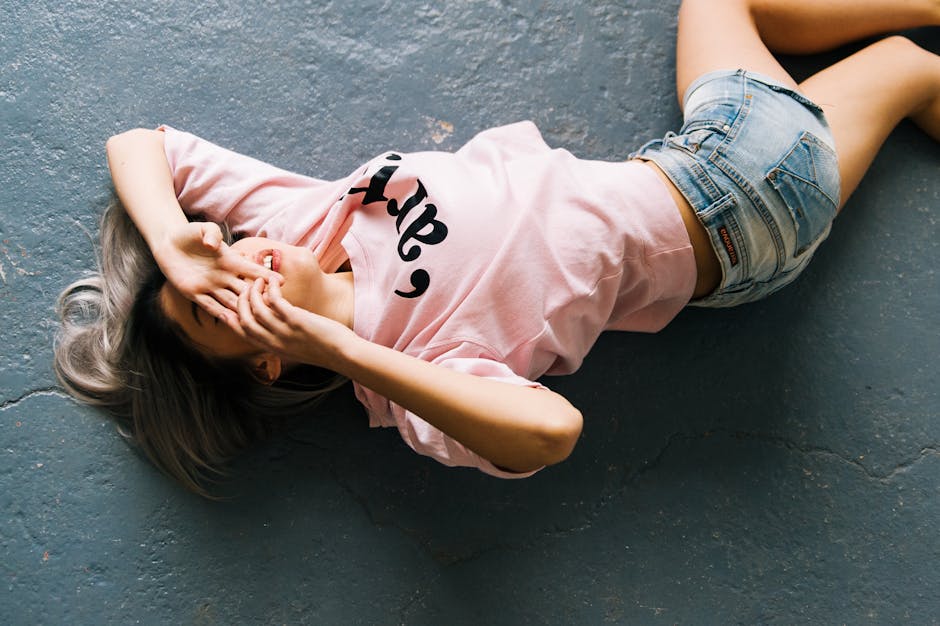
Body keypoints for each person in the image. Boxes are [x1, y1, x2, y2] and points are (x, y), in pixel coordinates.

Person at [55, 0, 940, 496]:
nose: (239, 265)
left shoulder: (300, 222)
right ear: (266, 366)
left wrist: (175, 247)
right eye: (217, 305)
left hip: (692, 155)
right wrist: (338, 346)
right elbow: (551, 432)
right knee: (906, 65)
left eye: (222, 257)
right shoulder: (408, 375)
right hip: (741, 212)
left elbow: (141, 143)